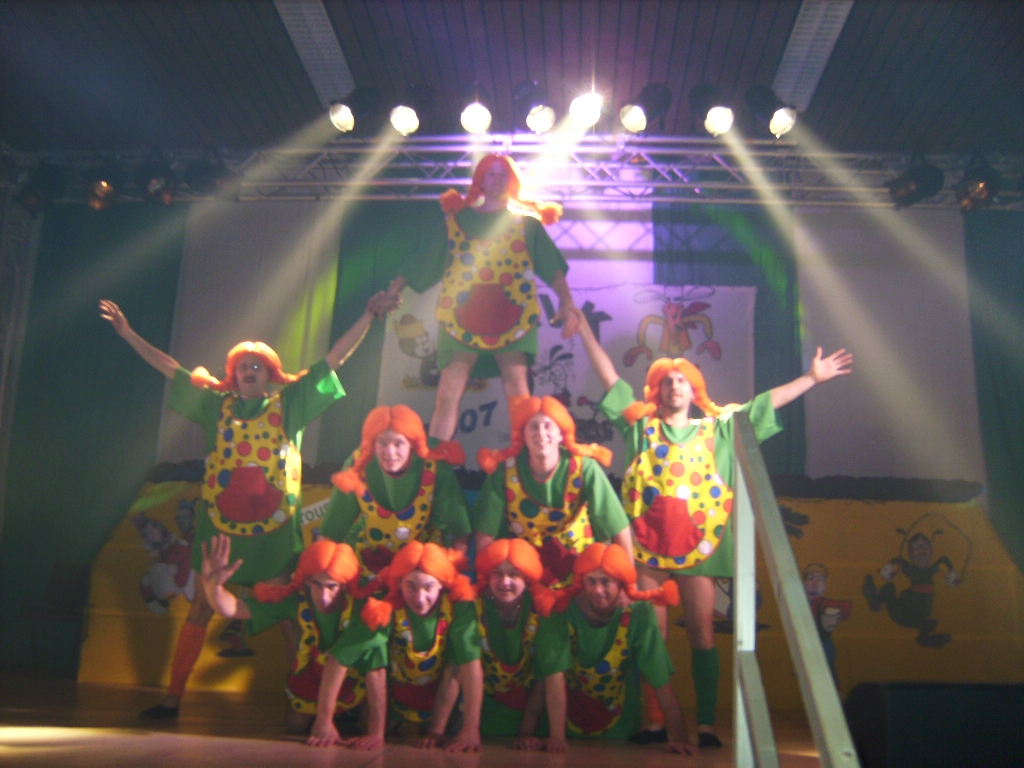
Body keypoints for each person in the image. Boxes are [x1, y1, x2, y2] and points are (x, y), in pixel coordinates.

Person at [99, 285, 399, 719]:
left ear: (271, 372)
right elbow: (170, 368)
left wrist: (369, 316)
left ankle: (305, 706)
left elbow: (335, 358)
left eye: (257, 365)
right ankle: (173, 698)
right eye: (243, 366)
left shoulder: (291, 402)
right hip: (219, 531)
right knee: (202, 606)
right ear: (233, 374)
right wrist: (128, 333)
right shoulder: (214, 405)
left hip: (273, 534)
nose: (249, 371)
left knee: (288, 617)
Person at [573, 308, 852, 746]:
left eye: (681, 380)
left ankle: (705, 725)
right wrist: (585, 331)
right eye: (667, 381)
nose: (674, 385)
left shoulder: (718, 429)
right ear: (657, 390)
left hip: (699, 547)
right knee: (650, 636)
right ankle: (655, 722)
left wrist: (811, 378)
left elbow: (765, 404)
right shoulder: (641, 428)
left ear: (694, 389)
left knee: (702, 633)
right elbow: (610, 379)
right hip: (646, 549)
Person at [391, 154, 580, 441]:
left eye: (503, 174)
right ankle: (435, 461)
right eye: (491, 174)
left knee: (518, 389)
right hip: (461, 314)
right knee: (448, 391)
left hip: (513, 314)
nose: (497, 179)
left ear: (513, 182)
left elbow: (552, 268)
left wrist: (567, 302)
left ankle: (524, 456)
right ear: (480, 179)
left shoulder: (528, 226)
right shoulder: (456, 222)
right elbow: (424, 260)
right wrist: (392, 292)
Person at [199, 534, 386, 746]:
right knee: (294, 725)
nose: (323, 595)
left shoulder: (366, 605)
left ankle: (352, 714)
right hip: (314, 674)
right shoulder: (297, 598)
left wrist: (369, 731)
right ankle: (331, 714)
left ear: (344, 585)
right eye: (317, 585)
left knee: (375, 714)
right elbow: (234, 609)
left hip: (356, 678)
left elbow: (366, 665)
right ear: (306, 580)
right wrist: (213, 587)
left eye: (331, 587)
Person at [533, 543, 693, 755]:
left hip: (620, 731)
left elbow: (659, 675)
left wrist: (680, 737)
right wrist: (557, 737)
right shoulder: (560, 609)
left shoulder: (640, 613)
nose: (597, 590)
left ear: (621, 583)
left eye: (606, 582)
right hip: (560, 727)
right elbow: (553, 675)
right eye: (591, 581)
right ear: (581, 580)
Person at [474, 395, 634, 585]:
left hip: (578, 573)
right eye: (534, 426)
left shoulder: (585, 469)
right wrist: (483, 584)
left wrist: (628, 585)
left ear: (561, 434)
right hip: (523, 577)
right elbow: (485, 533)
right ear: (523, 434)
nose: (541, 433)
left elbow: (617, 527)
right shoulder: (504, 471)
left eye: (548, 426)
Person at [347, 540, 483, 751]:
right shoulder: (386, 605)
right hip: (392, 703)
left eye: (428, 587)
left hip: (439, 706)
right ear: (399, 582)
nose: (420, 598)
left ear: (442, 583)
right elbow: (370, 666)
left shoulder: (458, 605)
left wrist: (467, 729)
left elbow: (466, 663)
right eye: (411, 586)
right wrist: (375, 731)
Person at [320, 405, 471, 576]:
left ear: (412, 444)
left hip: (421, 569)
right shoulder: (358, 463)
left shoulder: (434, 464)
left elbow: (461, 530)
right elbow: (331, 531)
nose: (390, 452)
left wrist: (448, 572)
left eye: (398, 443)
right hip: (371, 563)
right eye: (382, 443)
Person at [454, 538, 558, 746]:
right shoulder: (470, 605)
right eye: (498, 573)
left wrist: (527, 733)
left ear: (527, 577)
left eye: (514, 574)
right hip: (485, 720)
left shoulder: (543, 607)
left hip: (536, 721)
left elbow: (545, 673)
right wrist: (470, 729)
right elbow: (468, 663)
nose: (505, 582)